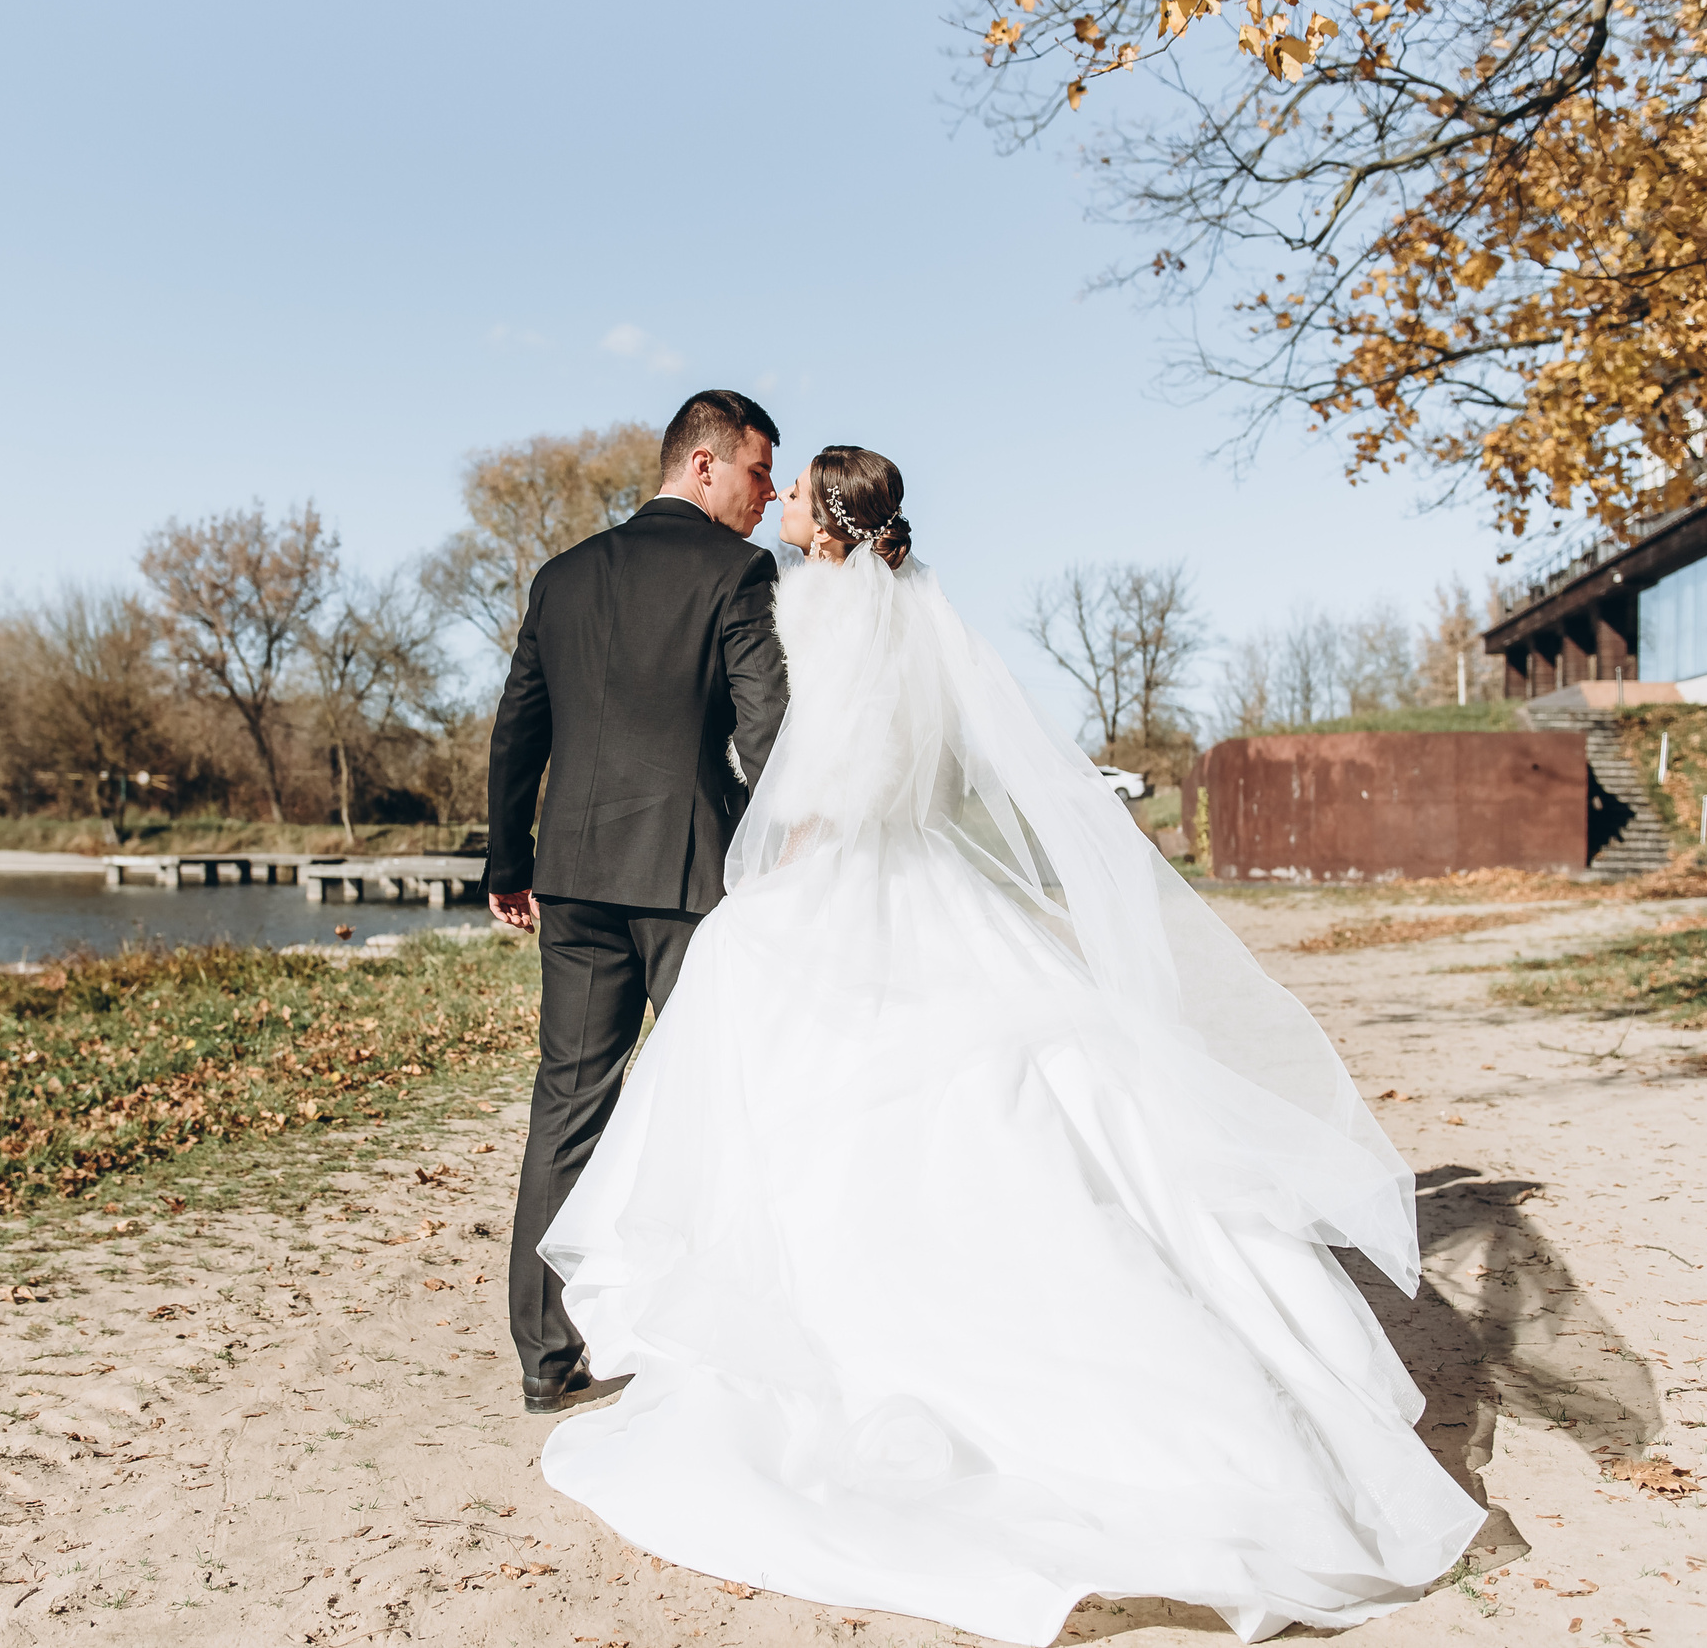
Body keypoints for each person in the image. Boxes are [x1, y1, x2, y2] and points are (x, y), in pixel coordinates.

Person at [532, 445, 1485, 1644]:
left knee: (835, 1106)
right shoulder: (879, 596)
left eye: (792, 490)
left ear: (824, 517)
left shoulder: (836, 607)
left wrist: (793, 836)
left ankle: (842, 1345)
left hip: (847, 874)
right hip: (901, 879)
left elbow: (854, 762)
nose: (772, 501)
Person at [483, 388, 790, 1416]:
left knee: (567, 1103)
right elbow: (768, 732)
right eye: (755, 472)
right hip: (688, 877)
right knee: (727, 1096)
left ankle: (547, 1355)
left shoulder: (562, 577)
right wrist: (787, 841)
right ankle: (727, 1329)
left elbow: (516, 726)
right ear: (702, 465)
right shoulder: (740, 572)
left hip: (570, 872)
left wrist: (505, 859)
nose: (763, 496)